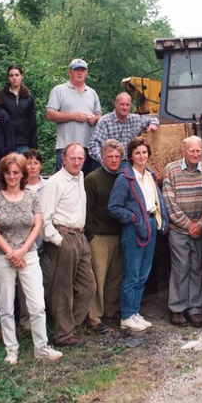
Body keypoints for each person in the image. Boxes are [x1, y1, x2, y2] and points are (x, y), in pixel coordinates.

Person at [0, 154, 64, 364]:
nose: (12, 176)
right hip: (3, 257)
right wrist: (12, 253)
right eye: (8, 172)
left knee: (37, 304)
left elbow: (37, 225)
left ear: (22, 174)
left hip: (28, 255)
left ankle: (42, 347)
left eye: (16, 172)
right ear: (2, 174)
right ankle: (11, 349)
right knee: (7, 307)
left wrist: (22, 252)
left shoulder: (32, 197)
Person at [108, 138, 169, 332]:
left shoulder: (150, 175)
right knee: (131, 274)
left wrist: (161, 220)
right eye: (137, 153)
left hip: (151, 223)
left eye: (144, 152)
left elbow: (157, 200)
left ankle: (135, 311)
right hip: (134, 228)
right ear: (131, 156)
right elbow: (114, 207)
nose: (142, 156)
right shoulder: (125, 178)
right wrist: (133, 218)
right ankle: (126, 315)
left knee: (143, 273)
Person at [40, 143, 97, 346]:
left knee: (88, 287)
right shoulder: (54, 183)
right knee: (62, 289)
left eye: (80, 158)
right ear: (63, 159)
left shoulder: (80, 176)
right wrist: (58, 241)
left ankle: (68, 325)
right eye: (72, 158)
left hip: (80, 237)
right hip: (63, 236)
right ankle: (63, 335)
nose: (76, 162)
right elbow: (43, 219)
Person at [162, 136, 202, 328]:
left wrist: (200, 225)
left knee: (197, 267)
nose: (195, 154)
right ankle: (177, 309)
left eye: (198, 150)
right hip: (179, 229)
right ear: (184, 150)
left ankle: (195, 309)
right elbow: (169, 201)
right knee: (181, 268)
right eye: (192, 150)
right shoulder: (171, 169)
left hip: (201, 228)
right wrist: (188, 224)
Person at [84, 139, 124, 333]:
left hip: (119, 233)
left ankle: (111, 309)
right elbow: (87, 209)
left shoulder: (124, 177)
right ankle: (94, 316)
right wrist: (90, 235)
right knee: (98, 278)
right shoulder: (92, 179)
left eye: (117, 157)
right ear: (102, 158)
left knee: (115, 276)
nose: (114, 160)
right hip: (99, 235)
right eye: (110, 157)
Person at [46, 58, 102, 173]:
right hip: (65, 147)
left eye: (82, 70)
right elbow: (50, 114)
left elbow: (99, 116)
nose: (80, 73)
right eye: (76, 70)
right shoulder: (59, 90)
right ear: (69, 72)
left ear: (86, 73)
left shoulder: (92, 93)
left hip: (88, 148)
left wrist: (95, 119)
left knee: (85, 184)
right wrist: (73, 116)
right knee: (63, 184)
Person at [17, 148, 47, 329]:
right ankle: (26, 319)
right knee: (25, 283)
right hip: (26, 241)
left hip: (46, 238)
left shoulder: (48, 185)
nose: (33, 166)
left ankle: (43, 315)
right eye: (29, 163)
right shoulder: (18, 186)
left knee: (45, 279)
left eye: (36, 162)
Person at [88, 92, 160, 162]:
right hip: (107, 161)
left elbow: (153, 118)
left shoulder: (136, 119)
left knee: (148, 173)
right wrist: (103, 160)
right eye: (122, 104)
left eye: (127, 105)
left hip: (126, 162)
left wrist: (153, 124)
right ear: (115, 104)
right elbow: (94, 144)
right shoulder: (105, 121)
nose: (125, 107)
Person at [1, 65, 38, 153]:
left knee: (22, 166)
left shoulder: (28, 97)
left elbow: (32, 123)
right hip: (5, 141)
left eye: (17, 75)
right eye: (11, 75)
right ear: (8, 78)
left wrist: (34, 146)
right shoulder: (2, 96)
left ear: (22, 76)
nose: (14, 78)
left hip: (24, 142)